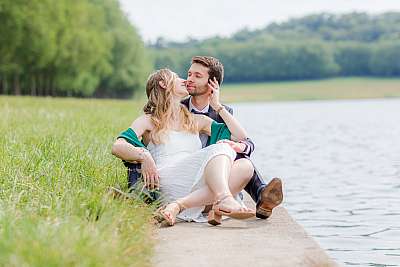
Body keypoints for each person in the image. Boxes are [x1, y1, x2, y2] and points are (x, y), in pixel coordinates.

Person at [114, 56, 283, 220]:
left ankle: (181, 205)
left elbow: (241, 137)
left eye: (195, 76)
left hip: (195, 183)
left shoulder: (195, 120)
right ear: (163, 84)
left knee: (245, 166)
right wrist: (144, 155)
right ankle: (223, 199)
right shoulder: (149, 120)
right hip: (168, 180)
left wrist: (217, 106)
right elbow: (118, 146)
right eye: (179, 77)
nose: (185, 80)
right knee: (222, 147)